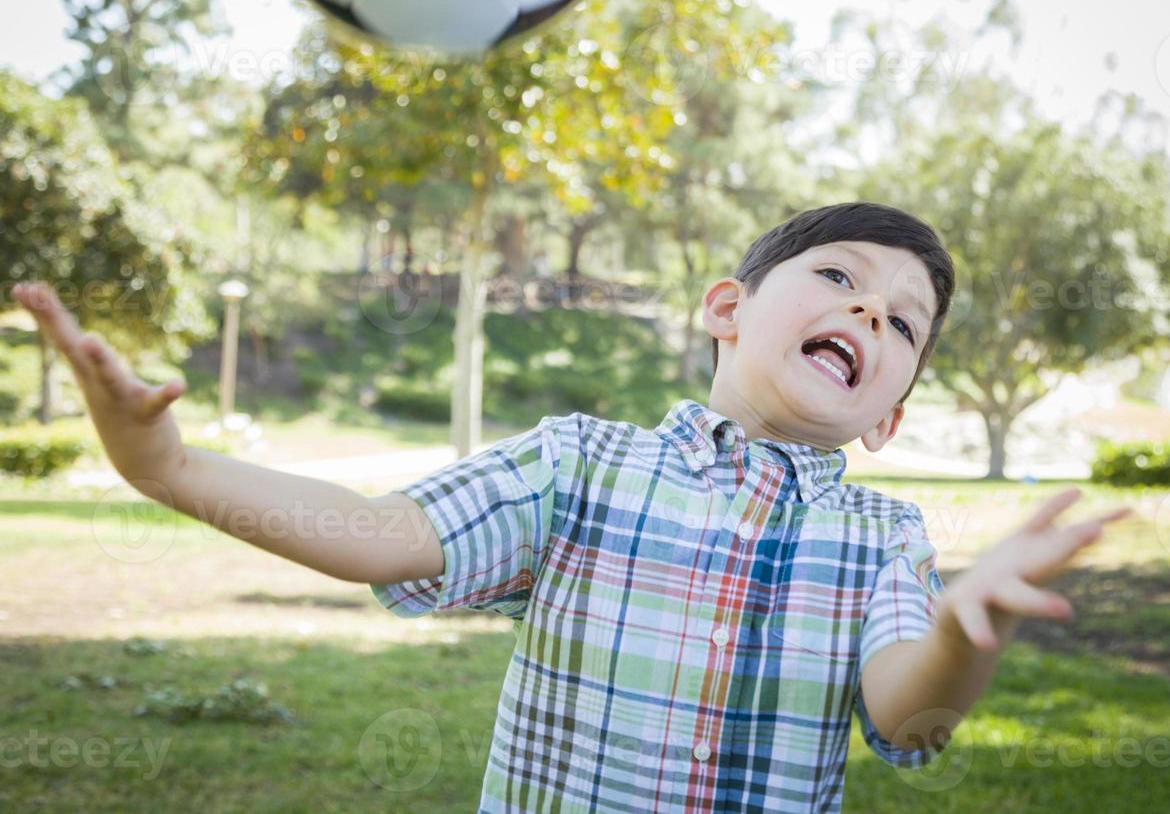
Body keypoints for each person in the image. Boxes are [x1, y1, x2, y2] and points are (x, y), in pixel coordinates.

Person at [13, 201, 1129, 813]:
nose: (869, 313)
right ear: (726, 309)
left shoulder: (883, 537)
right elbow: (383, 533)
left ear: (886, 419)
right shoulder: (580, 465)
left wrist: (961, 630)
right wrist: (167, 467)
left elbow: (907, 716)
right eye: (839, 277)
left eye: (903, 322)